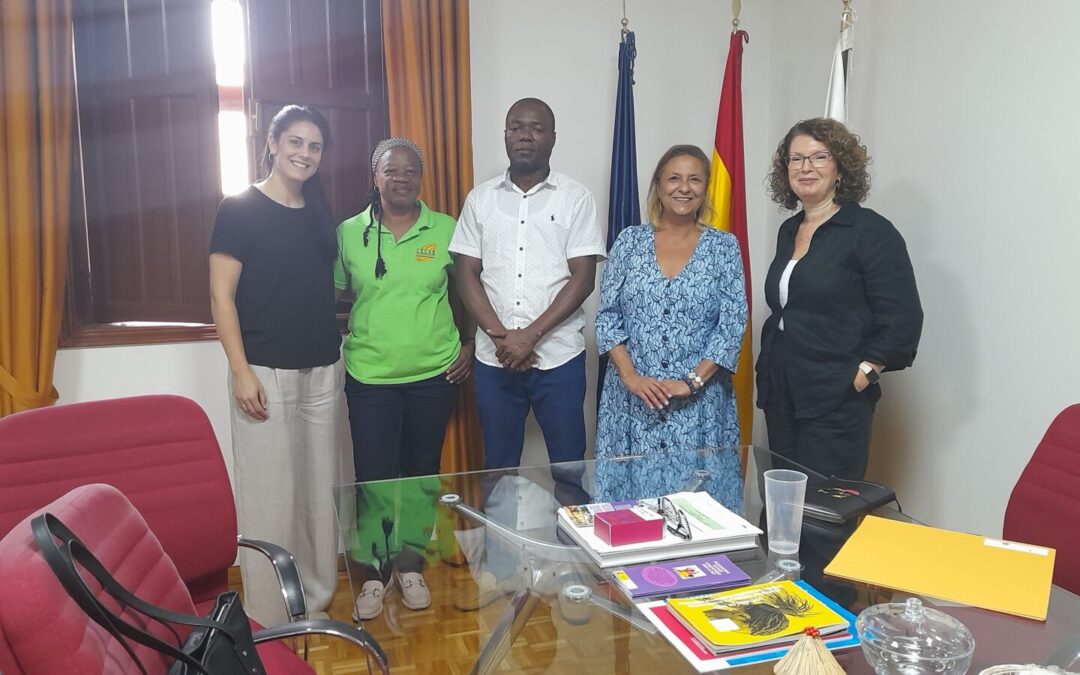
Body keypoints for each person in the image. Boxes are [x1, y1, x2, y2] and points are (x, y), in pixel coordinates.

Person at [209, 104, 346, 625]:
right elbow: (222, 299)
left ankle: (313, 597)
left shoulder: (317, 210)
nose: (304, 154)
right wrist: (241, 371)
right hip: (262, 372)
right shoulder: (238, 208)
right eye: (294, 142)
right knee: (270, 494)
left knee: (316, 490)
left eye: (314, 146)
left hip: (320, 367)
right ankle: (268, 612)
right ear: (271, 143)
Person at [335, 137, 475, 620]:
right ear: (374, 177)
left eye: (411, 171)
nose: (402, 178)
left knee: (420, 472)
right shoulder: (349, 233)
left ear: (422, 177)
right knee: (373, 477)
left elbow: (469, 292)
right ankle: (374, 575)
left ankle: (411, 564)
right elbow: (333, 297)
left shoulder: (446, 229)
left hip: (434, 374)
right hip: (369, 376)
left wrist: (471, 346)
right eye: (391, 171)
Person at [757, 117, 923, 481]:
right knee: (785, 505)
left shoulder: (871, 232)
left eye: (819, 157)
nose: (806, 168)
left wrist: (864, 374)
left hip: (835, 397)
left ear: (840, 166)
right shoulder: (790, 230)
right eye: (796, 159)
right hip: (781, 391)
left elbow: (903, 320)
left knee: (826, 515)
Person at [450, 97, 606, 469]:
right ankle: (499, 532)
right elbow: (466, 272)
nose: (525, 136)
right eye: (516, 127)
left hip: (559, 359)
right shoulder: (480, 199)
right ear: (505, 135)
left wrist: (529, 336)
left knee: (569, 468)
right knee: (498, 468)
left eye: (536, 128)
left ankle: (570, 530)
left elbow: (583, 278)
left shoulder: (576, 198)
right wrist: (502, 337)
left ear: (553, 138)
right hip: (495, 358)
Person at [594, 145, 747, 508]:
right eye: (674, 178)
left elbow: (733, 322)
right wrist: (631, 378)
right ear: (658, 186)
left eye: (695, 179)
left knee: (699, 516)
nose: (684, 187)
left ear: (706, 188)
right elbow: (607, 317)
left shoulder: (724, 247)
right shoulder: (629, 242)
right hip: (631, 404)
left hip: (701, 405)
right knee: (631, 515)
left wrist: (691, 381)